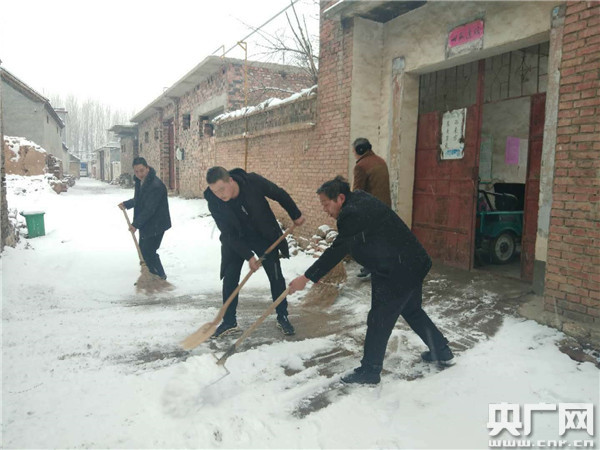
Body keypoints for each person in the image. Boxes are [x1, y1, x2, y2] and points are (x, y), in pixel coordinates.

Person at [289, 176, 453, 385]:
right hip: (412, 262)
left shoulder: (351, 214)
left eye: (326, 204)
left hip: (396, 270)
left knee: (378, 320)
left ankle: (370, 370)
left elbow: (337, 250)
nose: (324, 209)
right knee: (412, 310)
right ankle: (441, 350)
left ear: (340, 198)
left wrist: (306, 277)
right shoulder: (358, 199)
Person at [205, 166, 305, 338]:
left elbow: (279, 194)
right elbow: (228, 233)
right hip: (235, 239)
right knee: (230, 277)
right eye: (215, 191)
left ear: (231, 180)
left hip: (262, 235)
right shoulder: (214, 201)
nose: (219, 195)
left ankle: (282, 316)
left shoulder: (252, 181)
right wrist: (248, 256)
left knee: (275, 275)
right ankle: (229, 321)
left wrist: (295, 214)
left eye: (222, 189)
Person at [119, 157, 171, 280]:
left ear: (147, 168)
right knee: (144, 251)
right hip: (147, 223)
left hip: (157, 223)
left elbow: (150, 209)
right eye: (136, 171)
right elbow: (139, 200)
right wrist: (127, 204)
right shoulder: (140, 181)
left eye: (141, 170)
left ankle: (159, 276)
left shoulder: (155, 186)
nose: (139, 174)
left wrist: (135, 224)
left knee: (149, 251)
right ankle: (151, 276)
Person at [352, 137, 391, 278]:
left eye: (354, 151)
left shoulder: (361, 166)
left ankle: (372, 266)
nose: (354, 154)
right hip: (384, 207)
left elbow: (357, 191)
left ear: (359, 150)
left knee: (367, 239)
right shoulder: (381, 161)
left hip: (370, 209)